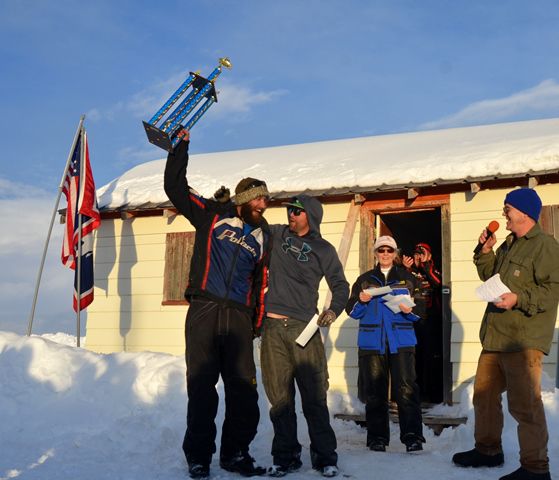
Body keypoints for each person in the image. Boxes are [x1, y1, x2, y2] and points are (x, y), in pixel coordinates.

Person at [164, 129, 271, 479]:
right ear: (243, 200)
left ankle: (236, 454)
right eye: (258, 200)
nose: (263, 205)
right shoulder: (212, 215)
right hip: (205, 310)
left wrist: (256, 323)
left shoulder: (263, 237)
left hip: (239, 317)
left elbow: (261, 284)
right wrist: (180, 146)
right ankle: (199, 457)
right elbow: (175, 189)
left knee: (244, 391)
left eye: (265, 200)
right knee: (202, 387)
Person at [452, 188, 559, 480]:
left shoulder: (545, 246)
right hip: (496, 336)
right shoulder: (510, 244)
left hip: (523, 340)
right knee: (483, 396)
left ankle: (536, 469)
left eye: (507, 208)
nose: (504, 214)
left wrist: (518, 298)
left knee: (526, 405)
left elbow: (552, 292)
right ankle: (488, 451)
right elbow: (491, 277)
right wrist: (485, 251)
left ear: (524, 212)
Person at [259, 195, 349, 478]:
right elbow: (254, 218)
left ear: (310, 215)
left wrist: (333, 311)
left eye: (297, 212)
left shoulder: (323, 249)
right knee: (280, 399)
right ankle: (285, 457)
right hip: (272, 329)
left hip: (304, 329)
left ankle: (325, 458)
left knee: (314, 397)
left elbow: (340, 285)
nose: (291, 215)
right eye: (289, 211)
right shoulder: (276, 234)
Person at [345, 235, 425, 453]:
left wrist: (412, 311)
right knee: (375, 392)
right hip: (372, 342)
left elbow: (422, 312)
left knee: (407, 389)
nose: (386, 254)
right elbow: (352, 311)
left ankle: (412, 437)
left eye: (390, 250)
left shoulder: (408, 279)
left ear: (396, 253)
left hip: (402, 341)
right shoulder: (364, 280)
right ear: (375, 253)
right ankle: (377, 439)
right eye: (381, 250)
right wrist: (360, 301)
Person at [402, 242, 442, 402]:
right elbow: (403, 286)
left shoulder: (433, 269)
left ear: (430, 255)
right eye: (416, 253)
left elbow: (438, 283)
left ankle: (430, 393)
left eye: (422, 253)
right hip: (413, 319)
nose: (418, 256)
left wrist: (426, 264)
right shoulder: (410, 272)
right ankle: (413, 391)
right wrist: (406, 269)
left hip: (431, 320)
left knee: (430, 356)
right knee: (413, 356)